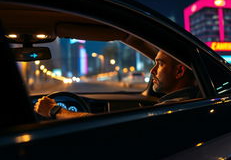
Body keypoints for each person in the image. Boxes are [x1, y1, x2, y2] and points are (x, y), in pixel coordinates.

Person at [34, 50, 198, 119]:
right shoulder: (178, 104)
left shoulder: (175, 109)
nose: (152, 70)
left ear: (179, 72)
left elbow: (114, 131)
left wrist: (54, 110)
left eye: (160, 64)